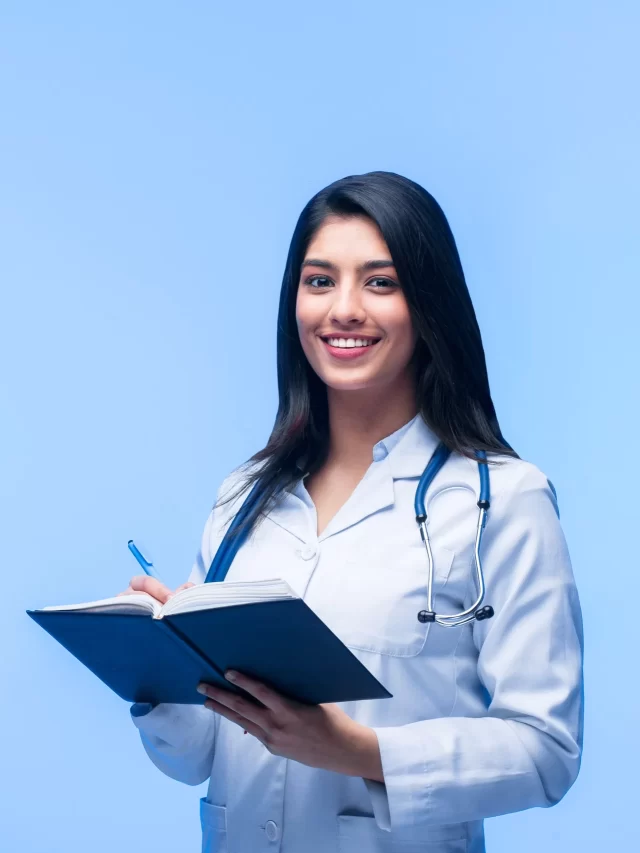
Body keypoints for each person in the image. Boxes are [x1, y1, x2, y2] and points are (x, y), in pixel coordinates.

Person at [118, 171, 584, 853]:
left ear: (428, 305)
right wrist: (160, 672)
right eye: (319, 281)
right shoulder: (244, 497)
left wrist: (357, 750)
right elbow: (195, 758)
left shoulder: (501, 500)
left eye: (379, 282)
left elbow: (546, 750)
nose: (342, 309)